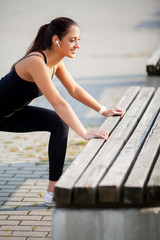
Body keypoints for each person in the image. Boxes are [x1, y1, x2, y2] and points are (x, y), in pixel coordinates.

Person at [0, 17, 125, 206]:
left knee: (58, 123)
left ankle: (52, 192)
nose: (77, 46)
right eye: (72, 40)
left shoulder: (55, 63)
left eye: (78, 40)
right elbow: (58, 102)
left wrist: (103, 110)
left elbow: (74, 89)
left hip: (10, 115)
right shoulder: (36, 61)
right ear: (56, 40)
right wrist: (84, 132)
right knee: (59, 117)